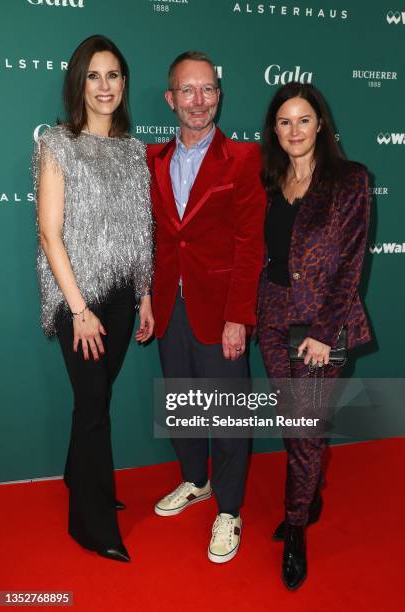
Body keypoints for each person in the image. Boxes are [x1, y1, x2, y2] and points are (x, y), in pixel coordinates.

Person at [32, 35, 153, 562]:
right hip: (75, 298)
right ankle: (92, 524)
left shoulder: (133, 150)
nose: (105, 87)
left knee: (96, 399)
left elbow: (141, 231)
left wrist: (145, 294)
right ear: (78, 83)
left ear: (124, 84)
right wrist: (78, 310)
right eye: (94, 76)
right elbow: (49, 234)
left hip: (125, 295)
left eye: (114, 75)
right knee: (92, 407)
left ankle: (76, 476)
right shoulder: (57, 145)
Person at [147, 51, 266, 563]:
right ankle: (196, 481)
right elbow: (151, 240)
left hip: (220, 312)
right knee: (183, 405)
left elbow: (250, 244)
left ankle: (230, 510)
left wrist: (238, 315)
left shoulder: (242, 158)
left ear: (219, 95)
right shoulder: (152, 159)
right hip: (169, 307)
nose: (199, 101)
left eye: (208, 90)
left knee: (229, 416)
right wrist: (146, 302)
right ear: (171, 99)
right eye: (187, 91)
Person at [258, 82, 371, 589]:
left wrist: (325, 332)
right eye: (284, 121)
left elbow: (350, 265)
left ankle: (298, 526)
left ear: (320, 124)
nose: (294, 130)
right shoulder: (268, 179)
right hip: (274, 319)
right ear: (274, 130)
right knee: (294, 424)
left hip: (322, 327)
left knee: (304, 430)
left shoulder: (349, 181)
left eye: (304, 119)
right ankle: (311, 490)